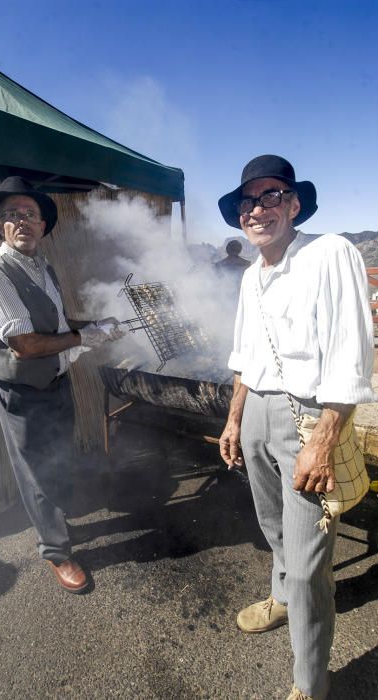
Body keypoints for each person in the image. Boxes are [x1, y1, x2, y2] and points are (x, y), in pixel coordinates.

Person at [218, 155, 375, 700]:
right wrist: (236, 418)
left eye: (269, 196)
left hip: (309, 418)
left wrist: (325, 439)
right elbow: (244, 354)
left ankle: (311, 682)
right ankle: (282, 599)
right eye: (247, 201)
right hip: (256, 412)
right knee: (274, 529)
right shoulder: (248, 276)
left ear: (293, 203)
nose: (257, 209)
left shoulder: (330, 253)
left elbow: (353, 356)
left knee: (310, 562)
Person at [0, 176, 125, 593]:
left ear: (42, 225)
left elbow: (54, 327)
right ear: (0, 224)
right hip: (20, 386)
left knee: (57, 453)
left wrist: (93, 326)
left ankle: (57, 519)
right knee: (36, 469)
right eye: (12, 215)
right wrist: (84, 338)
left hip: (54, 376)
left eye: (30, 214)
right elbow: (25, 345)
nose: (22, 221)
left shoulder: (42, 267)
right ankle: (56, 552)